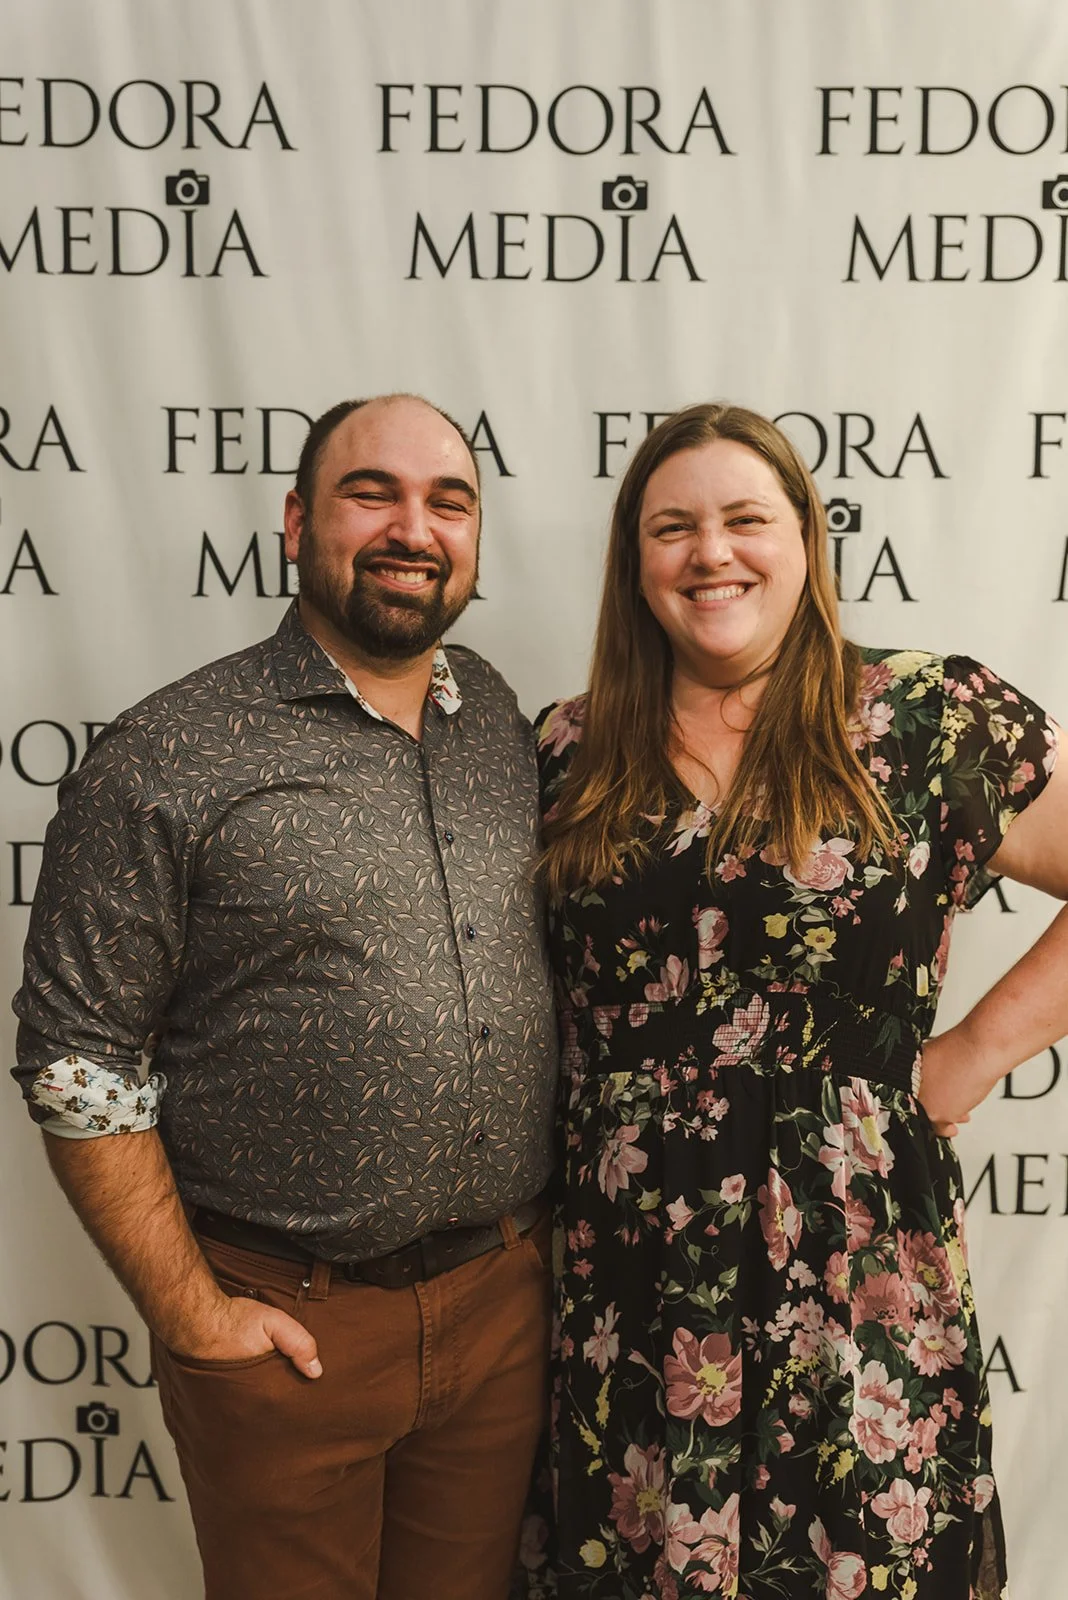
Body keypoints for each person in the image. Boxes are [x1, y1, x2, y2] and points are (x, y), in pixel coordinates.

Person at [12, 393, 558, 1600]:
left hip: (502, 1311)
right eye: (375, 493)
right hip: (291, 1330)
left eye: (449, 501)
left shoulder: (502, 724)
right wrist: (196, 1316)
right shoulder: (171, 751)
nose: (415, 527)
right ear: (298, 520)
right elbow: (74, 1054)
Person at [533, 403, 1066, 1600]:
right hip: (629, 1290)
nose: (710, 552)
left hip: (860, 1274)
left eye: (743, 519)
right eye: (673, 527)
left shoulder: (929, 720)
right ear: (636, 564)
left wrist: (976, 1050)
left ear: (807, 541)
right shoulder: (566, 754)